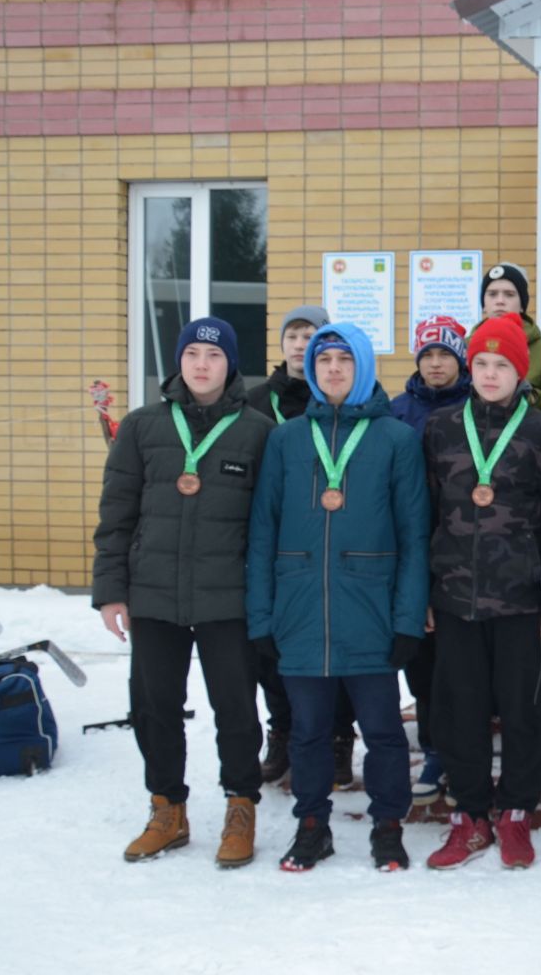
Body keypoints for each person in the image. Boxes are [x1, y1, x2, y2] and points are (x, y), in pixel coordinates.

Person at [246, 323, 429, 873]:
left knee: (382, 731)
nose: (331, 370)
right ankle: (311, 826)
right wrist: (262, 619)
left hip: (370, 610)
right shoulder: (285, 439)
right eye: (323, 360)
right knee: (306, 733)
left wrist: (406, 621)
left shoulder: (396, 439)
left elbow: (414, 536)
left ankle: (388, 824)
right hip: (299, 610)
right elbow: (262, 531)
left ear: (364, 368)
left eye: (344, 361)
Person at [92, 316, 274, 868]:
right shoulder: (143, 427)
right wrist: (110, 591)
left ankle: (241, 807)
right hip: (153, 595)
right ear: (179, 361)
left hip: (228, 598)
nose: (202, 364)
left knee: (237, 709)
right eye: (192, 353)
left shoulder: (257, 429)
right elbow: (117, 514)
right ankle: (167, 809)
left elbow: (268, 523)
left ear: (230, 364)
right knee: (153, 707)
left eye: (213, 356)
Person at [421, 314, 541, 871]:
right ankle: (471, 815)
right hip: (455, 597)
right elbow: (423, 514)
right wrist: (424, 593)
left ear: (519, 371)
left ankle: (517, 814)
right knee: (461, 710)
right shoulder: (439, 429)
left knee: (524, 711)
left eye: (500, 364)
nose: (488, 373)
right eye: (480, 363)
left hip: (521, 600)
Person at [391, 313, 473, 806]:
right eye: (428, 355)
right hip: (410, 545)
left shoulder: (475, 404)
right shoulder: (397, 411)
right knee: (420, 663)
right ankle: (434, 748)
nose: (437, 363)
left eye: (445, 354)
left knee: (458, 664)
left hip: (463, 547)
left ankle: (460, 750)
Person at [243, 303, 328, 781]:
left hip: (327, 536)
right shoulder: (255, 402)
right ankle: (282, 732)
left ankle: (333, 735)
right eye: (292, 336)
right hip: (272, 538)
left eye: (309, 335)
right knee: (271, 647)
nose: (300, 344)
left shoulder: (336, 398)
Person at [481, 263, 541, 417]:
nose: (500, 301)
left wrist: (530, 395)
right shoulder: (466, 346)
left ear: (522, 305)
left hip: (526, 437)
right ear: (484, 304)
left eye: (509, 294)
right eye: (492, 294)